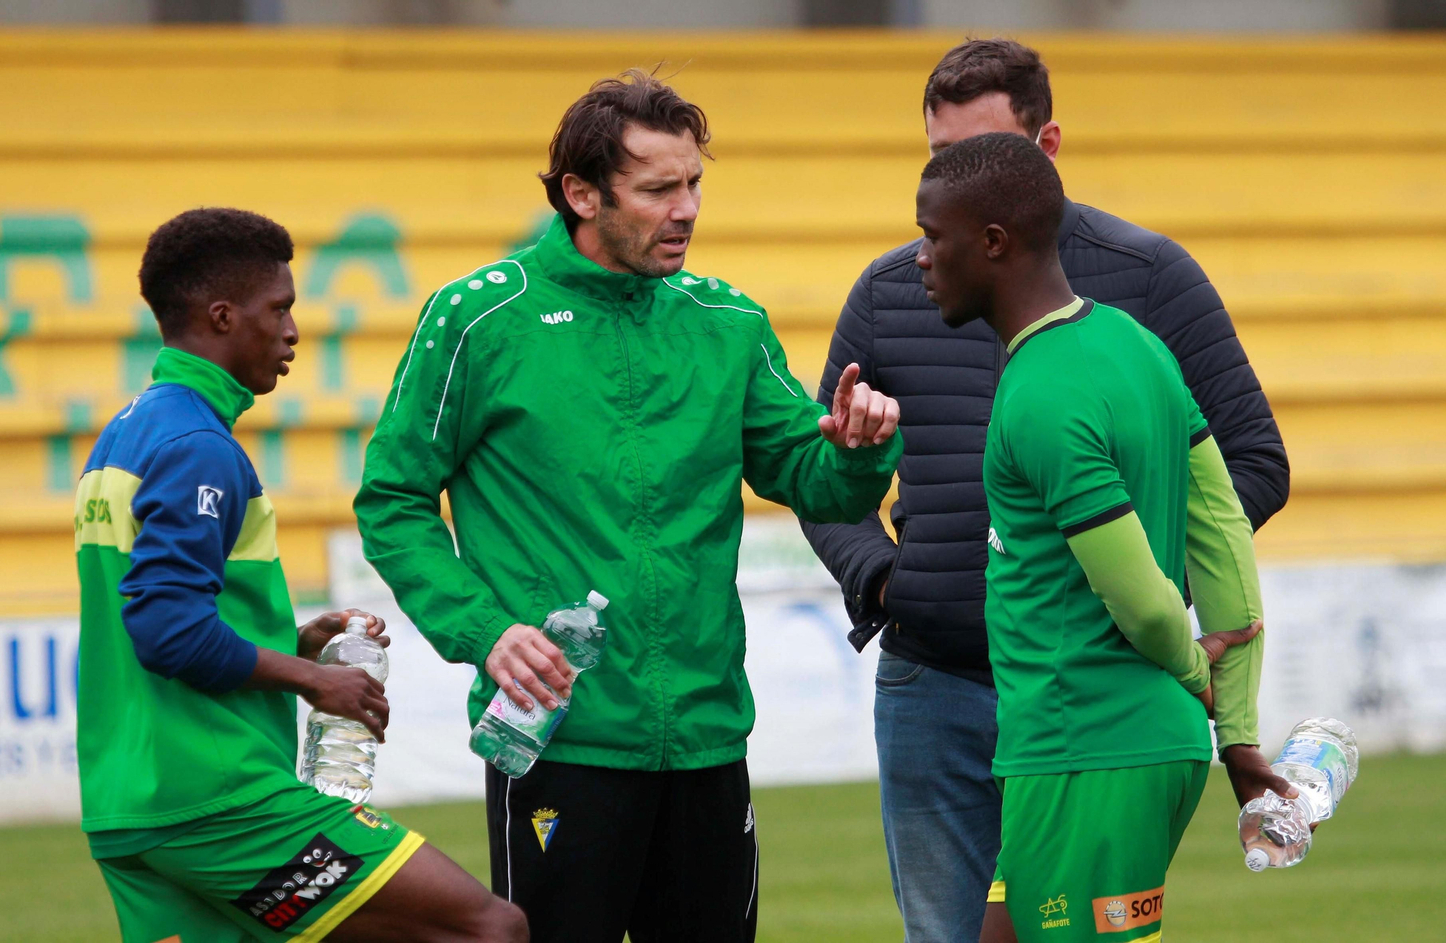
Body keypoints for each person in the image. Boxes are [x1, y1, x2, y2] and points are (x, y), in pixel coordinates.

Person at [354, 71, 901, 943]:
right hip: (558, 740)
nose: (685, 209)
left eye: (693, 184)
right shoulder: (479, 317)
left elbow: (814, 478)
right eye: (657, 189)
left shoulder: (727, 320)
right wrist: (485, 629)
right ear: (580, 192)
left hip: (708, 735)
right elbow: (393, 499)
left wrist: (862, 450)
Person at [798, 38, 1291, 942]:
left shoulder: (1148, 285)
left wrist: (1125, 586)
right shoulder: (893, 288)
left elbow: (1249, 468)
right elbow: (821, 478)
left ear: (1046, 149)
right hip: (935, 685)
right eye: (938, 159)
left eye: (977, 156)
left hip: (1091, 697)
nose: (951, 184)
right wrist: (885, 582)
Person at [76, 207, 526, 943]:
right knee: (487, 927)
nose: (292, 330)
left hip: (130, 800)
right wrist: (315, 680)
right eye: (279, 309)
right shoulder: (197, 446)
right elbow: (165, 630)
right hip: (217, 799)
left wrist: (292, 639)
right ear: (222, 317)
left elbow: (159, 613)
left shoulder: (128, 432)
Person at [916, 131, 1294, 943]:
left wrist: (1198, 670)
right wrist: (1237, 731)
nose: (919, 257)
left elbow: (1142, 599)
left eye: (931, 236)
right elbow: (1222, 532)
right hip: (1112, 743)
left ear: (991, 243)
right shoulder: (1137, 344)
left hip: (1084, 744)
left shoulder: (1041, 394)